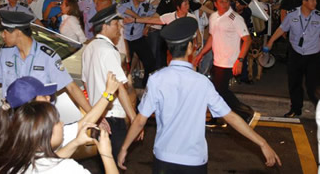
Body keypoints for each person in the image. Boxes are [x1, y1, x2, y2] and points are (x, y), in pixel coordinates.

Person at [117, 17, 282, 173]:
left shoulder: (156, 79)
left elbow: (140, 120)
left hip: (164, 158)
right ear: (190, 47)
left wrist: (124, 148)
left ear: (169, 49)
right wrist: (262, 143)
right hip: (194, 161)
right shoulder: (203, 83)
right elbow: (230, 117)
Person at [0, 11, 91, 122]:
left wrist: (93, 115)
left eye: (5, 31)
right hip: (12, 118)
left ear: (17, 32)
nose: (2, 35)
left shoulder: (46, 56)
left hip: (37, 121)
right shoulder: (5, 53)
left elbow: (71, 86)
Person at [0, 101, 118, 174]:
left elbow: (50, 162)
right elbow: (56, 165)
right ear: (45, 133)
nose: (62, 124)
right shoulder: (67, 169)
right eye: (57, 121)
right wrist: (107, 155)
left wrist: (75, 143)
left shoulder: (10, 160)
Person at [82, 4, 139, 160]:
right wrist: (134, 119)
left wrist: (97, 115)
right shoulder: (109, 51)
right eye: (115, 23)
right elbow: (120, 88)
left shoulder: (89, 48)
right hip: (113, 118)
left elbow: (86, 84)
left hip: (99, 117)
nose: (119, 27)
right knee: (114, 163)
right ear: (105, 26)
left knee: (105, 162)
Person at [195, 0, 255, 126]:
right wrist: (201, 54)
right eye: (221, 2)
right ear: (215, 4)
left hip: (230, 61)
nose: (225, 4)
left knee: (220, 90)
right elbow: (212, 37)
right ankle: (217, 117)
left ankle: (245, 112)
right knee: (216, 91)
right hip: (217, 60)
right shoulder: (213, 17)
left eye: (227, 1)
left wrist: (240, 60)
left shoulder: (235, 18)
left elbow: (247, 40)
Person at [265, 0, 320, 118]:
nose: (315, 3)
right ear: (304, 2)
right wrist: (270, 42)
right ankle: (296, 109)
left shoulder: (318, 16)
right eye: (312, 0)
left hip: (313, 55)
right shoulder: (292, 16)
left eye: (315, 0)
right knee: (294, 83)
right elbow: (281, 29)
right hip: (296, 53)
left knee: (312, 86)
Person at [118, 0, 156, 86]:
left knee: (150, 62)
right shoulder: (125, 3)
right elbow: (120, 10)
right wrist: (138, 18)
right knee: (124, 63)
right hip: (125, 39)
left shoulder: (146, 6)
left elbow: (155, 15)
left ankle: (145, 85)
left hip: (138, 38)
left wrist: (147, 25)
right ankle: (125, 86)